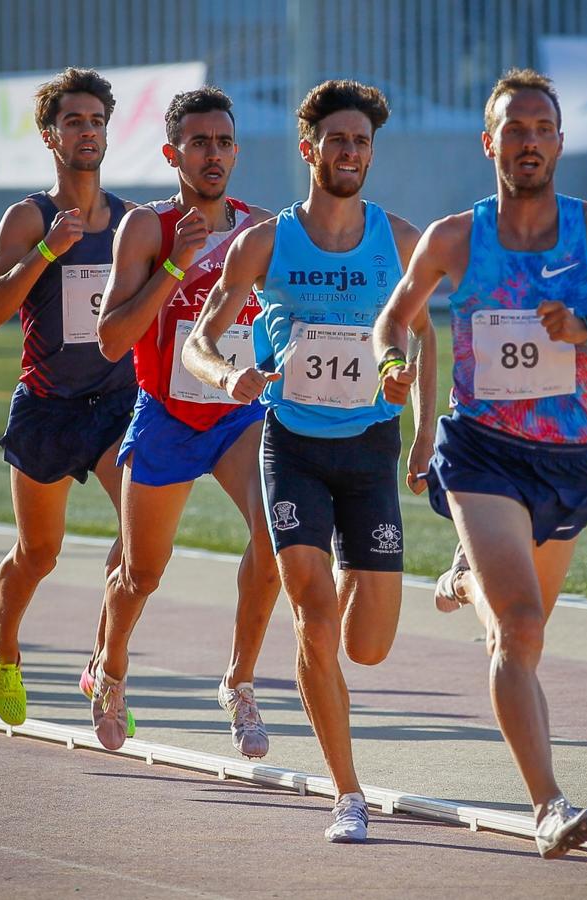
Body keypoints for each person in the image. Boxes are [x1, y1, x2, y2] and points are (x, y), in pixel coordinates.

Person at [373, 68, 587, 859]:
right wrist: (389, 367)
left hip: (568, 463)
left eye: (542, 128)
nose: (528, 141)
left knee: (523, 625)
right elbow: (393, 320)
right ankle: (548, 806)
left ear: (561, 142)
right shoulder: (453, 238)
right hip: (480, 452)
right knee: (521, 628)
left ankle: (468, 575)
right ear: (488, 142)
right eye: (514, 129)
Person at [184, 79, 436, 843]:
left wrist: (424, 428)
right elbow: (199, 341)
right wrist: (232, 375)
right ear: (309, 149)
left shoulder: (398, 237)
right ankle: (347, 795)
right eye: (337, 141)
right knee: (316, 627)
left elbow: (421, 336)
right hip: (290, 448)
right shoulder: (264, 243)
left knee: (368, 643)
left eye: (361, 141)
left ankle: (356, 594)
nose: (351, 152)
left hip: (370, 452)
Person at [89, 87, 281, 756]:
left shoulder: (261, 228)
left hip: (237, 414)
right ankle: (110, 668)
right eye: (199, 142)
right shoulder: (147, 227)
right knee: (141, 572)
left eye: (225, 142)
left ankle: (240, 681)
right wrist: (175, 265)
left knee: (277, 537)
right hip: (167, 415)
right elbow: (113, 339)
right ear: (173, 153)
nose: (214, 154)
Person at [0, 68, 138, 730]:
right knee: (38, 554)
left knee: (140, 536)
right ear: (50, 135)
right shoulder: (28, 217)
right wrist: (45, 251)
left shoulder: (131, 221)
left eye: (96, 121)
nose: (88, 132)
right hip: (46, 407)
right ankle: (5, 648)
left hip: (116, 404)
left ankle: (103, 664)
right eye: (74, 121)